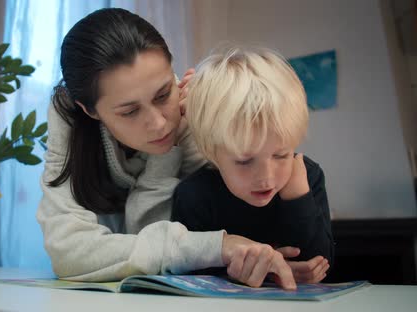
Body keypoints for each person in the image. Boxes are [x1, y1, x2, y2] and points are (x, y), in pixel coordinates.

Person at [37, 8, 296, 289]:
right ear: (89, 110)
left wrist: (264, 258)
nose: (160, 124)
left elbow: (234, 220)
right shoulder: (69, 119)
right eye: (130, 111)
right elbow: (69, 253)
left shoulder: (196, 110)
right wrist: (219, 245)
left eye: (164, 94)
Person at [172, 45, 334, 284]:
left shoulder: (307, 176)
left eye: (281, 155)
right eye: (244, 161)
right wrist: (256, 271)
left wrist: (297, 198)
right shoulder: (194, 196)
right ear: (212, 152)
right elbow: (190, 273)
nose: (266, 177)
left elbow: (320, 264)